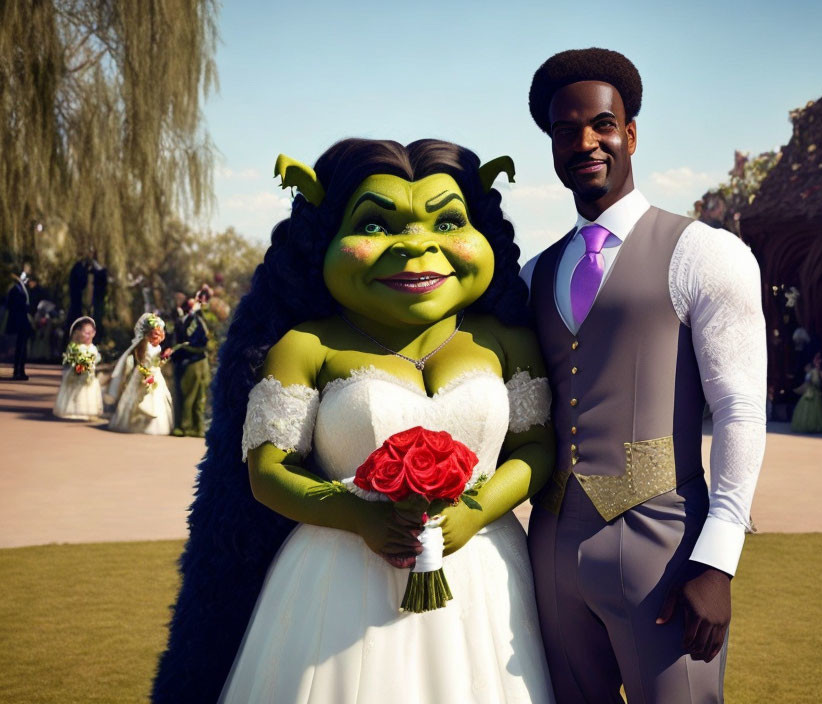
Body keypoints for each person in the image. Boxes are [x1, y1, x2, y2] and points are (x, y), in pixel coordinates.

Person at [153, 139, 555, 704]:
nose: (417, 246)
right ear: (325, 236)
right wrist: (356, 516)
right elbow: (267, 470)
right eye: (376, 225)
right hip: (337, 582)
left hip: (482, 574)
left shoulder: (508, 340)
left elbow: (536, 447)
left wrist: (475, 512)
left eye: (448, 220)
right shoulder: (304, 347)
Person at [522, 48, 767, 703]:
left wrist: (718, 559)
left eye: (602, 124)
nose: (585, 142)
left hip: (664, 550)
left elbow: (741, 411)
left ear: (630, 134)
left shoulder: (705, 253)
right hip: (549, 551)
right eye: (565, 130)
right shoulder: (532, 275)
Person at [107, 313, 173, 435]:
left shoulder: (158, 347)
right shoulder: (144, 346)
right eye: (155, 334)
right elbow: (140, 361)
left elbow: (156, 363)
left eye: (160, 334)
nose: (158, 337)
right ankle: (134, 423)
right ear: (148, 333)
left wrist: (163, 358)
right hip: (143, 374)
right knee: (139, 398)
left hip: (155, 374)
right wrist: (145, 373)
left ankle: (152, 425)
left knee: (156, 399)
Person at [172, 288, 212, 437]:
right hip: (191, 362)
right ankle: (185, 426)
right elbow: (187, 337)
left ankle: (198, 427)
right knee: (189, 395)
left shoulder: (199, 318)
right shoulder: (185, 320)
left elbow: (204, 338)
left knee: (200, 397)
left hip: (201, 360)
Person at [53, 316, 103, 420]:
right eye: (86, 332)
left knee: (88, 391)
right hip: (77, 373)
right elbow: (70, 360)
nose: (89, 335)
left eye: (91, 332)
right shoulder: (75, 347)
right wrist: (78, 364)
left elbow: (95, 360)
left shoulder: (93, 348)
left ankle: (87, 412)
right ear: (79, 333)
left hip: (89, 375)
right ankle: (73, 410)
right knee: (76, 391)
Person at [791, 352, 822, 433]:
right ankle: (808, 426)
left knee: (816, 410)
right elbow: (807, 382)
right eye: (816, 360)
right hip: (809, 393)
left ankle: (816, 426)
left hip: (816, 393)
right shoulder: (810, 372)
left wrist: (820, 375)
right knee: (807, 409)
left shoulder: (820, 372)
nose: (818, 362)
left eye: (819, 360)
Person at [4, 271, 34, 380]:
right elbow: (10, 305)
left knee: (23, 347)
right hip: (18, 321)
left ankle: (21, 370)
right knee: (19, 348)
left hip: (24, 321)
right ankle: (17, 371)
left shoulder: (23, 289)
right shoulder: (15, 289)